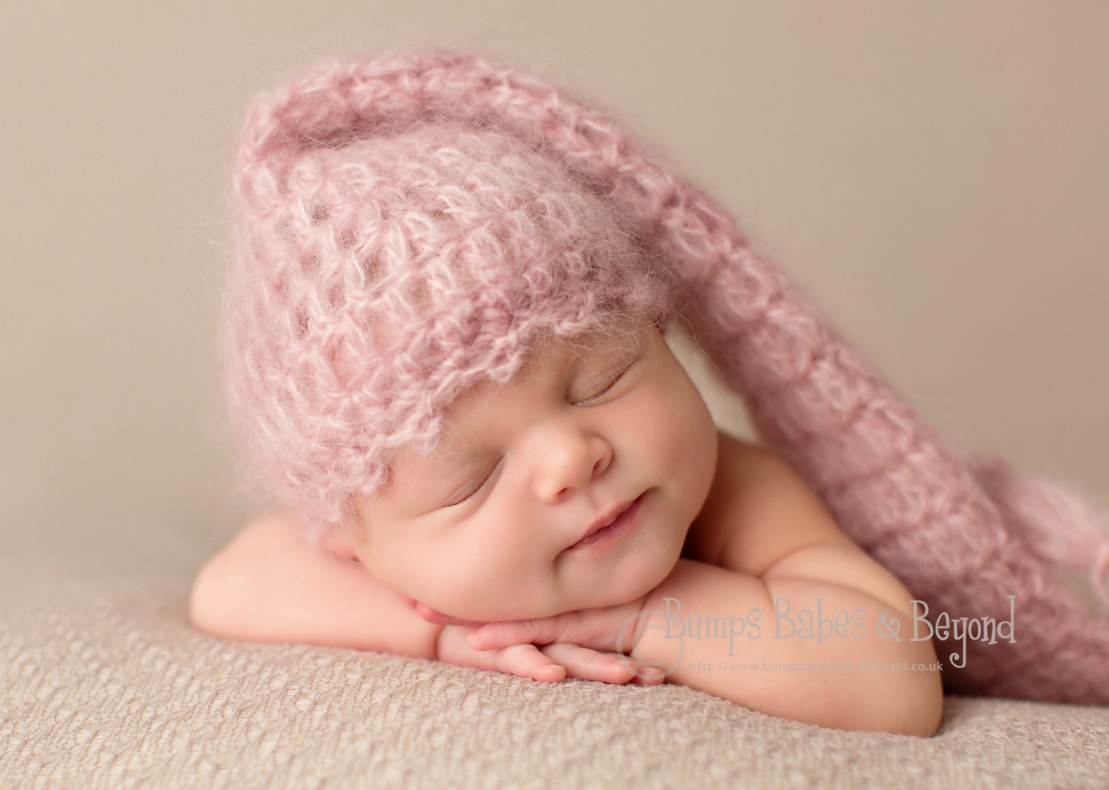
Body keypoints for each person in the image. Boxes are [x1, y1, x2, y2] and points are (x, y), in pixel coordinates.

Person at [204, 47, 1109, 736]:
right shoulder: (365, 552)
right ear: (351, 541)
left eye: (601, 378)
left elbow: (892, 684)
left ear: (665, 336)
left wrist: (648, 613)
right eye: (472, 477)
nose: (569, 457)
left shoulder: (733, 491)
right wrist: (441, 635)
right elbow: (231, 584)